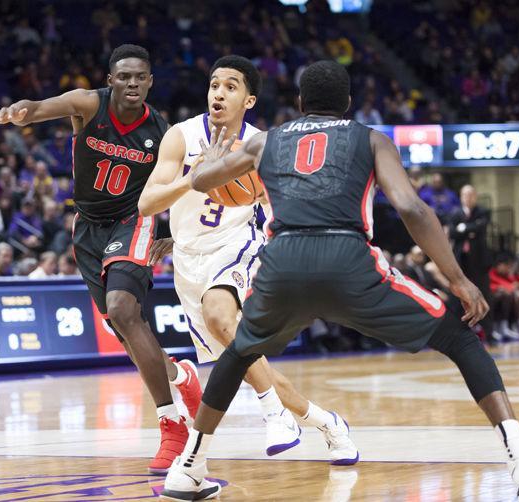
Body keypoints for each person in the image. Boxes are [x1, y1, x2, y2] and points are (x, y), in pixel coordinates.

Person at [161, 61, 519, 502]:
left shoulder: (265, 141)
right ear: (348, 105)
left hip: (283, 263)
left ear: (299, 104)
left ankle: (189, 469)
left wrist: (211, 161)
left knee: (239, 352)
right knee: (461, 340)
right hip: (347, 258)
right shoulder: (370, 138)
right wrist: (459, 280)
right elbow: (412, 209)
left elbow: (200, 179)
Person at [0, 44, 202, 473]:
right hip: (86, 227)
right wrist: (22, 111)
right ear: (110, 81)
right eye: (124, 76)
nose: (132, 83)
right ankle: (181, 376)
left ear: (150, 81)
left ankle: (171, 423)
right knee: (124, 329)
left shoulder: (162, 132)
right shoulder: (89, 105)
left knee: (124, 310)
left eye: (140, 76)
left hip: (132, 221)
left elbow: (179, 187)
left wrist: (172, 234)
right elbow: (43, 106)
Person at [139, 55, 357, 466]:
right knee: (248, 364)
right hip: (189, 259)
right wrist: (194, 179)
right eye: (214, 84)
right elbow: (147, 203)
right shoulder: (181, 137)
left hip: (238, 245)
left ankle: (274, 415)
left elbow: (287, 204)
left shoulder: (264, 146)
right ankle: (326, 423)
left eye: (230, 86)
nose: (218, 92)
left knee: (221, 314)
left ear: (249, 100)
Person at [448, 185, 494, 339]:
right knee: (458, 295)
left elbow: (481, 228)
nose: (468, 198)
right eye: (465, 195)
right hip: (461, 261)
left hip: (479, 262)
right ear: (461, 197)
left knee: (484, 293)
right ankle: (459, 331)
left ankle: (488, 331)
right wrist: (470, 230)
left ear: (475, 196)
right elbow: (453, 233)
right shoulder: (455, 213)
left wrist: (464, 228)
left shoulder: (483, 211)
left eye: (471, 195)